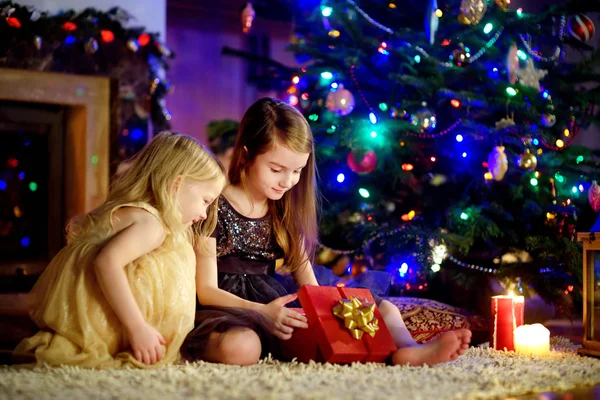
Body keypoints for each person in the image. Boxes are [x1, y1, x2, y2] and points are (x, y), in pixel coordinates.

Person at [184, 98, 471, 366]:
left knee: (381, 310)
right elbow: (207, 290)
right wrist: (261, 312)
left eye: (297, 171)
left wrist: (325, 311)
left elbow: (306, 280)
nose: (287, 181)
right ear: (246, 155)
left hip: (276, 293)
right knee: (242, 348)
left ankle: (409, 351)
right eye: (276, 169)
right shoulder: (213, 203)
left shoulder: (282, 207)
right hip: (231, 305)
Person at [14, 132, 226, 369]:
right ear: (176, 185)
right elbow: (106, 263)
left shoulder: (142, 214)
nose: (205, 214)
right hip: (91, 306)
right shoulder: (151, 224)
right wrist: (137, 327)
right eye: (206, 201)